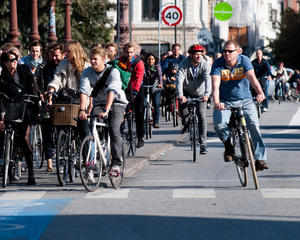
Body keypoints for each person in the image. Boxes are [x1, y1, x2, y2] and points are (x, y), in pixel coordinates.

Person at [211, 40, 268, 170]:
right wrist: (217, 103)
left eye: (230, 51)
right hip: (224, 101)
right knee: (219, 125)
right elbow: (215, 86)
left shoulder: (244, 61)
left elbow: (252, 78)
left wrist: (260, 94)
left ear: (238, 51)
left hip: (245, 100)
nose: (227, 54)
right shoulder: (218, 64)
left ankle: (260, 158)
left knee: (253, 125)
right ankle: (228, 146)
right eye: (224, 51)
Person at [79, 47, 128, 176]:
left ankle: (116, 163)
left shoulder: (113, 72)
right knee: (92, 126)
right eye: (91, 59)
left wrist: (106, 110)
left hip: (116, 103)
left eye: (95, 59)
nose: (92, 61)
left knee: (113, 127)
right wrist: (82, 109)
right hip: (99, 103)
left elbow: (112, 91)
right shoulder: (86, 72)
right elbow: (84, 91)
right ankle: (94, 158)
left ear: (103, 60)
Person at [0, 50, 40, 185]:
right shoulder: (3, 77)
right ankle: (5, 165)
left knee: (24, 138)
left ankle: (30, 172)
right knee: (3, 134)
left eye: (16, 59)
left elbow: (33, 85)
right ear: (5, 63)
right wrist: (1, 119)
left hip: (25, 107)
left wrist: (35, 99)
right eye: (11, 60)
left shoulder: (23, 70)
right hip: (10, 108)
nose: (15, 61)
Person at [176, 44, 211, 155]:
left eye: (200, 54)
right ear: (190, 55)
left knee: (201, 116)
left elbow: (208, 79)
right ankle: (186, 124)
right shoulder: (183, 64)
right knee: (183, 109)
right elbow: (179, 79)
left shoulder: (205, 64)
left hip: (201, 94)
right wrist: (180, 94)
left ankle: (203, 144)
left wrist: (207, 94)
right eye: (196, 54)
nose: (198, 56)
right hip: (187, 92)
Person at [42, 43, 65, 172]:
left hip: (63, 102)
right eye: (52, 55)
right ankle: (49, 161)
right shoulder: (47, 68)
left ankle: (63, 157)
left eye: (57, 55)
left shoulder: (65, 66)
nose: (54, 58)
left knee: (62, 130)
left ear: (62, 55)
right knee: (48, 131)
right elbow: (47, 83)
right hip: (50, 102)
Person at [117, 42, 145, 148]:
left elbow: (138, 78)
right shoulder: (120, 61)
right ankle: (121, 130)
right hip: (124, 88)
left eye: (131, 52)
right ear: (124, 52)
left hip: (137, 88)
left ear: (134, 52)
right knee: (120, 109)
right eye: (127, 52)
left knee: (139, 112)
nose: (129, 54)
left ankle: (140, 137)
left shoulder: (139, 62)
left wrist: (135, 93)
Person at [143, 52, 163, 128]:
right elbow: (141, 75)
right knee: (142, 103)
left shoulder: (157, 67)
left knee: (156, 104)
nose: (150, 61)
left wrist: (160, 84)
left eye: (152, 59)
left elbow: (160, 75)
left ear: (155, 60)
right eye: (148, 59)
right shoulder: (144, 67)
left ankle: (156, 122)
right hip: (146, 85)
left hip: (155, 86)